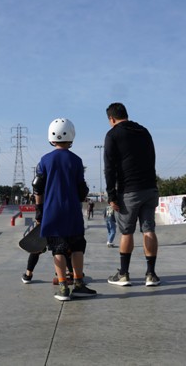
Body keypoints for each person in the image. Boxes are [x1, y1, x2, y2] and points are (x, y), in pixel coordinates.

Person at [33, 118, 96, 301]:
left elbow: (38, 188)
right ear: (72, 135)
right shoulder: (76, 160)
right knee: (77, 247)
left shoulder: (44, 160)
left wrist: (39, 212)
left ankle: (63, 288)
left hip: (52, 213)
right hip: (72, 213)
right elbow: (82, 190)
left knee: (58, 250)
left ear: (51, 137)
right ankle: (78, 283)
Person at [104, 102, 160, 287]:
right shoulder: (144, 131)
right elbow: (152, 158)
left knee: (126, 232)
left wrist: (111, 195)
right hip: (150, 188)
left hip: (129, 191)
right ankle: (151, 275)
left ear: (111, 119)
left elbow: (109, 168)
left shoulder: (113, 134)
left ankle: (123, 274)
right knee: (149, 229)